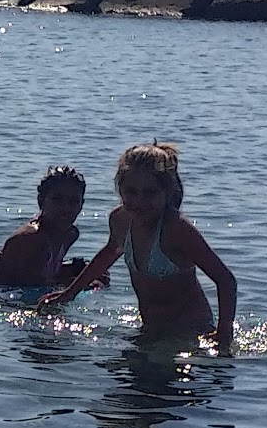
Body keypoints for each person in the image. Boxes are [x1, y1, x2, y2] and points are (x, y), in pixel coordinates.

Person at [39, 142, 237, 354]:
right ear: (120, 189)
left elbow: (225, 280)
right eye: (131, 192)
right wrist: (69, 293)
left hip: (188, 330)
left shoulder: (177, 230)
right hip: (150, 327)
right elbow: (108, 254)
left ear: (167, 192)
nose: (139, 202)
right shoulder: (120, 219)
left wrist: (223, 332)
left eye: (150, 193)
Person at [0, 165, 96, 288]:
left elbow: (41, 270)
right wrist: (81, 283)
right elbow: (30, 284)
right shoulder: (32, 238)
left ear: (82, 204)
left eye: (74, 201)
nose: (66, 208)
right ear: (41, 200)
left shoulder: (70, 234)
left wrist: (79, 269)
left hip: (4, 283)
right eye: (57, 199)